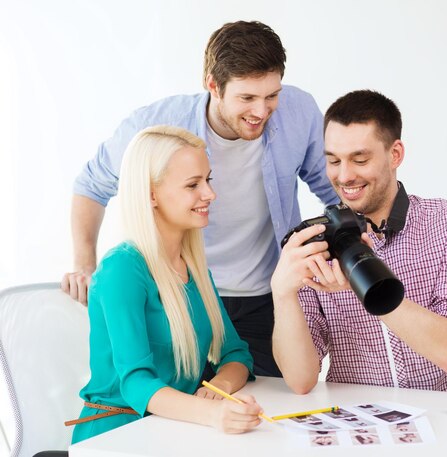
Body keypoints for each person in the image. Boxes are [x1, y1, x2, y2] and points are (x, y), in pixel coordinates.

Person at [62, 20, 338, 377]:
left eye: (272, 95)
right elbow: (91, 186)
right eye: (247, 98)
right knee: (177, 410)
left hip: (263, 296)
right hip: (180, 296)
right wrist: (84, 263)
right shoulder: (156, 126)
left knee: (267, 408)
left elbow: (333, 186)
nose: (262, 111)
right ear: (214, 86)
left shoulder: (298, 111)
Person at [271, 90, 447, 394]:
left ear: (395, 154)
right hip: (355, 423)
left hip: (442, 421)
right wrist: (282, 293)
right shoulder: (314, 245)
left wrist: (367, 285)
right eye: (333, 161)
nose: (344, 176)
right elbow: (300, 380)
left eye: (359, 159)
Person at [70, 126, 262, 443]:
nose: (210, 194)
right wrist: (214, 415)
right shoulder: (122, 269)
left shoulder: (194, 268)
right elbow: (136, 382)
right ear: (151, 194)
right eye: (193, 185)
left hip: (173, 429)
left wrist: (222, 388)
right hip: (116, 437)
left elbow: (237, 354)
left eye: (208, 180)